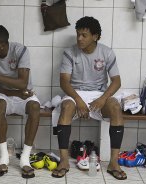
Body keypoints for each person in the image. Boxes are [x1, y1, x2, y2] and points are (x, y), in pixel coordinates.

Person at [52, 16, 126, 180]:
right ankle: (64, 161)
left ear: (95, 36)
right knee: (66, 108)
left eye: (84, 35)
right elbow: (64, 82)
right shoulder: (70, 52)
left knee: (115, 107)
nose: (79, 38)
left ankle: (114, 162)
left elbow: (116, 81)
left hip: (99, 94)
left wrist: (102, 99)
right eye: (78, 34)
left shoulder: (106, 52)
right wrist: (78, 100)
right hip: (75, 92)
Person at [0, 25, 40, 179]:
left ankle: (25, 158)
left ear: (2, 45)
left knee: (35, 107)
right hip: (2, 94)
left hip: (23, 92)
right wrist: (14, 93)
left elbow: (23, 83)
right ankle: (3, 157)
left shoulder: (21, 51)